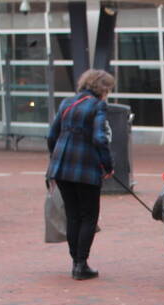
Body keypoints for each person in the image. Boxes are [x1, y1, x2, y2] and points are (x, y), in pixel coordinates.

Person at [47, 69, 114, 280]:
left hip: (61, 166)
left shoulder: (67, 103)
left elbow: (52, 135)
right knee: (89, 216)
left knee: (73, 215)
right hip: (85, 167)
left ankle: (75, 260)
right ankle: (81, 264)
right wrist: (108, 165)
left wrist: (55, 157)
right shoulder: (97, 105)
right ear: (102, 88)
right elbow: (99, 138)